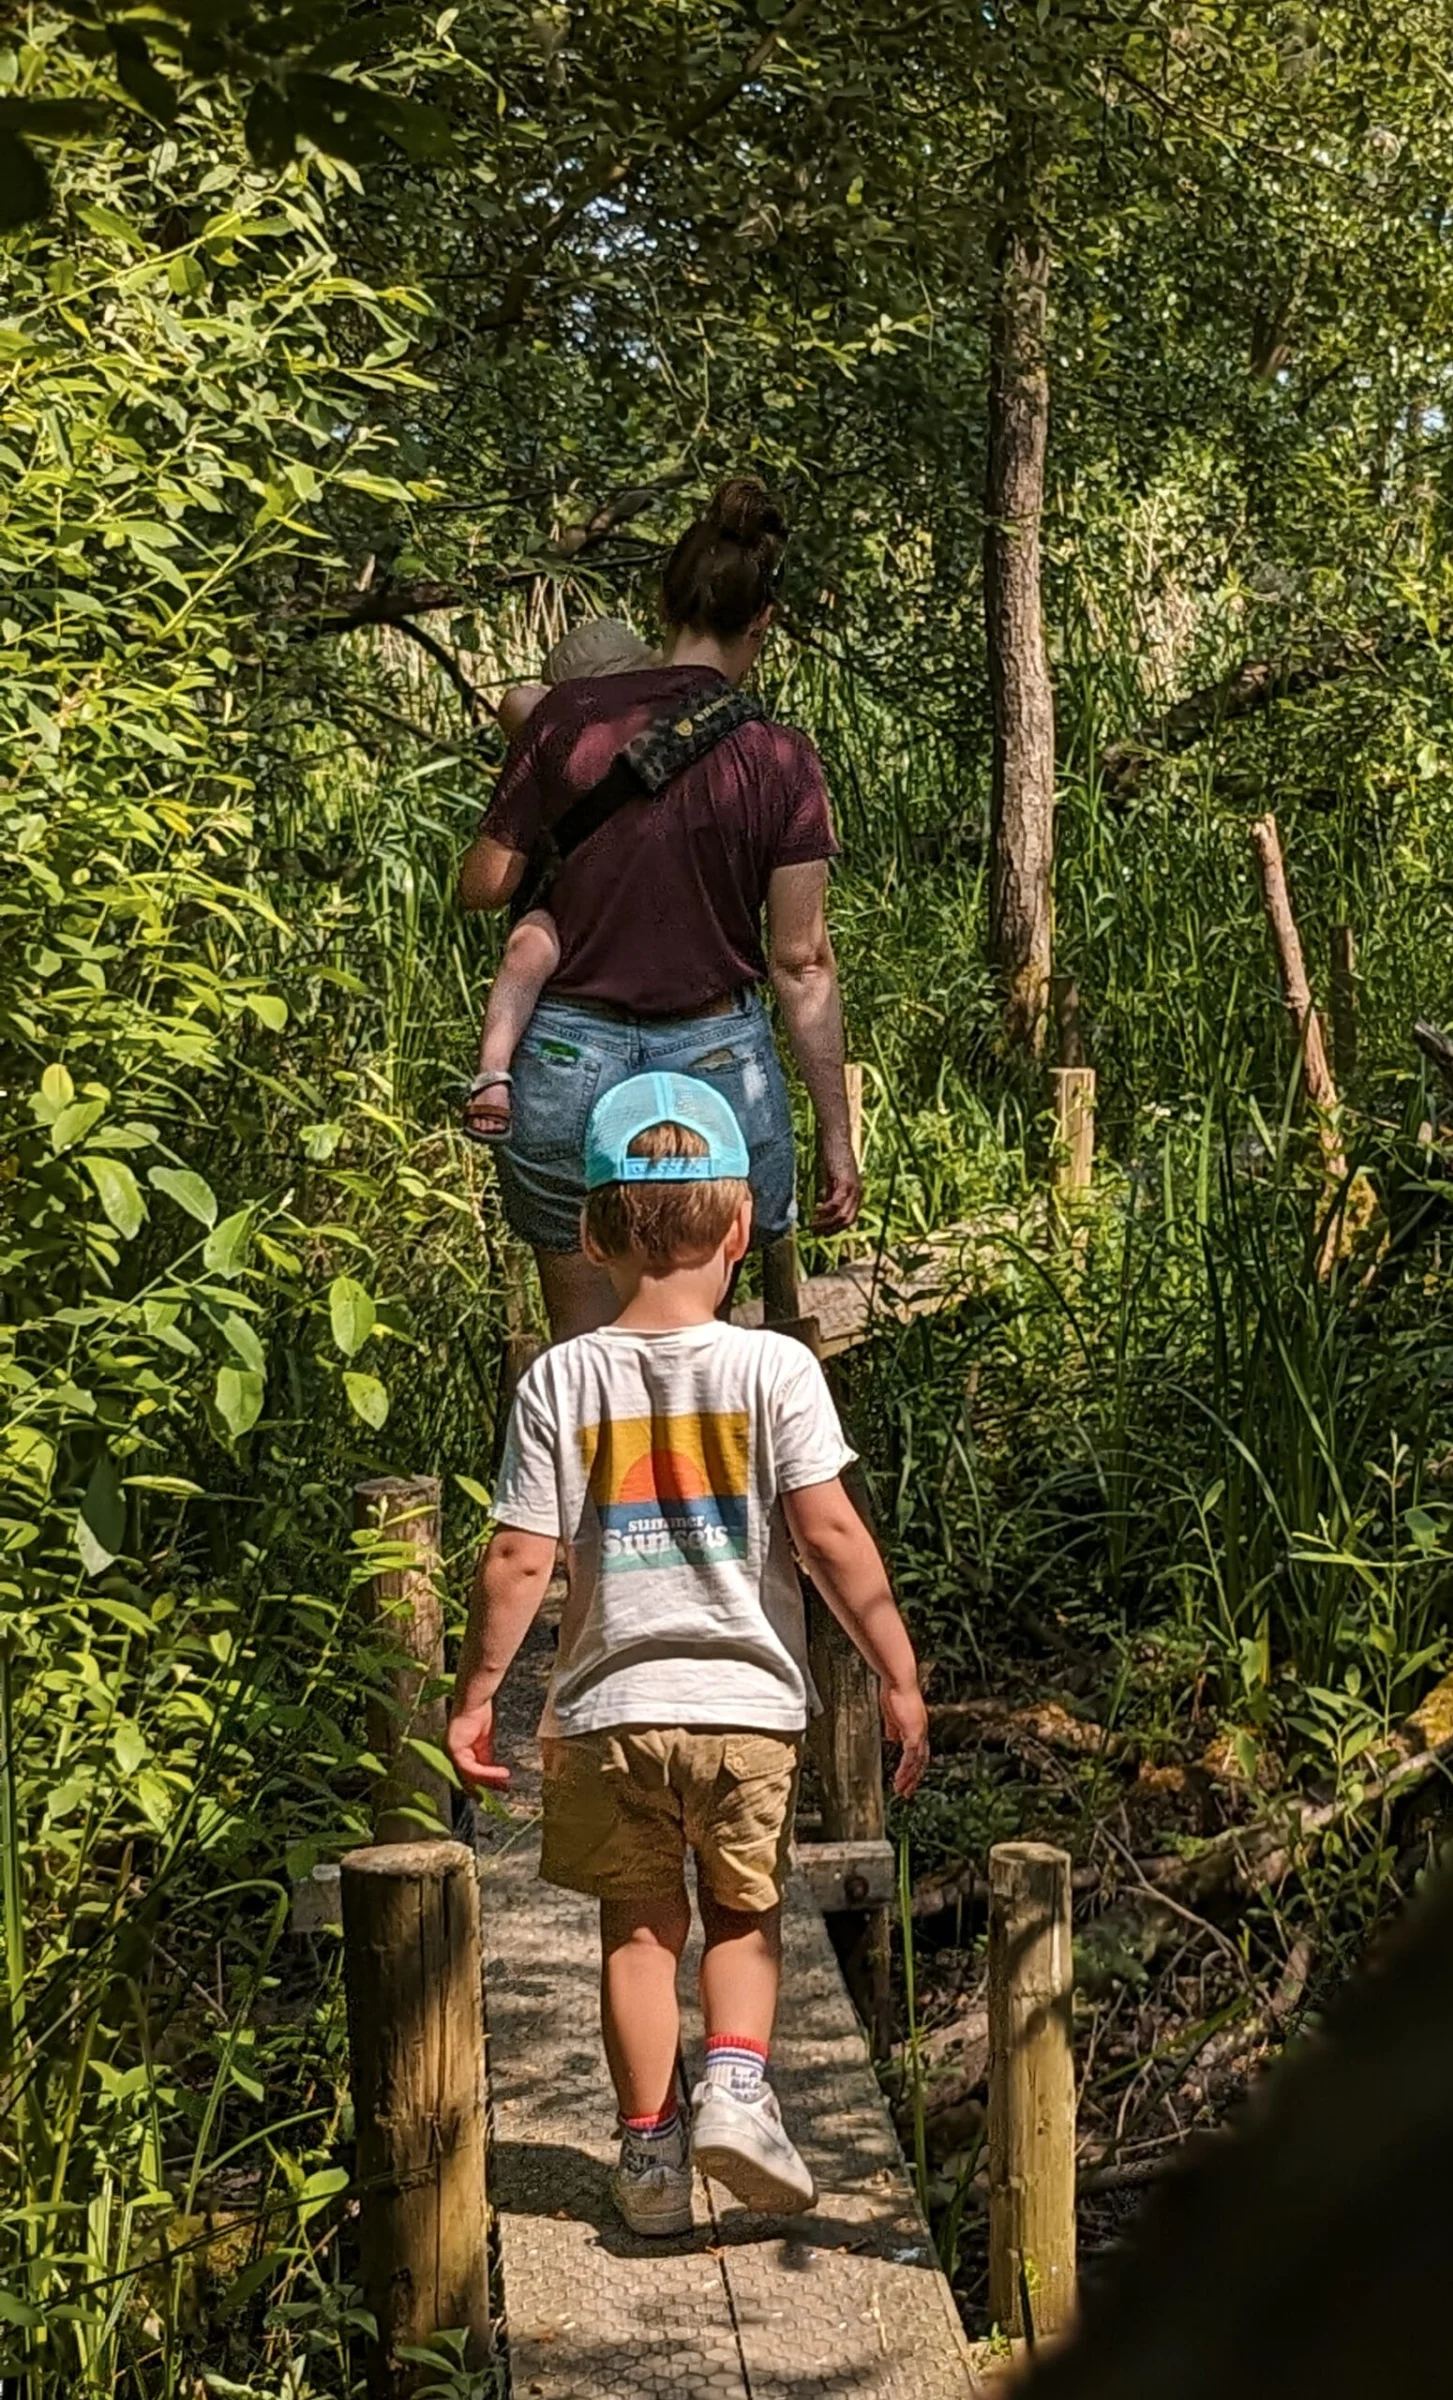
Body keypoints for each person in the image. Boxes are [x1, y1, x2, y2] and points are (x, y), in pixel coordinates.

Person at [446, 1070, 929, 2235]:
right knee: (744, 1914)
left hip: (608, 1716)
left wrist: (476, 1696)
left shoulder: (560, 1379)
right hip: (747, 1710)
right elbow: (829, 1536)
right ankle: (740, 2093)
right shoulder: (776, 1371)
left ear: (592, 1232)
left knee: (636, 1931)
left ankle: (651, 2156)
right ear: (740, 1228)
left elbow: (517, 1558)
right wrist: (898, 1672)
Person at [456, 480, 862, 1342]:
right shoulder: (782, 759)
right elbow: (801, 963)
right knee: (693, 1348)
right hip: (716, 1064)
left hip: (567, 1056)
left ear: (662, 607)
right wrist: (836, 1136)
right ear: (762, 622)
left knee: (583, 1353)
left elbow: (484, 885)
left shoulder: (566, 720)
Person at [463, 621, 659, 1144]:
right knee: (527, 950)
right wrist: (575, 704)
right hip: (559, 899)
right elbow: (518, 701)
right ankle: (492, 1075)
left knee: (529, 950)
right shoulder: (563, 732)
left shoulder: (655, 732)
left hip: (621, 903)